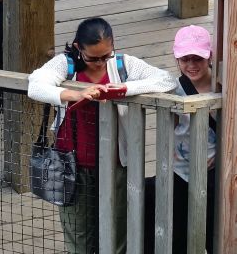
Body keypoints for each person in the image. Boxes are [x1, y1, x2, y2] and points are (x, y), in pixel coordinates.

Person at [28, 17, 176, 254]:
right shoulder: (64, 64)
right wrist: (74, 94)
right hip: (72, 166)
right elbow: (35, 86)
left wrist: (124, 89)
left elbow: (166, 79)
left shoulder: (122, 65)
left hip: (116, 164)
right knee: (79, 239)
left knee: (116, 238)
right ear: (78, 48)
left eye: (105, 56)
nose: (99, 64)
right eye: (92, 58)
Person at [142, 25, 218, 254]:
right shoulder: (174, 89)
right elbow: (171, 127)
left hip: (214, 170)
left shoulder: (223, 86)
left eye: (198, 59)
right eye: (185, 59)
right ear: (177, 58)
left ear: (210, 57)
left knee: (213, 229)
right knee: (177, 230)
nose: (192, 65)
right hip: (179, 170)